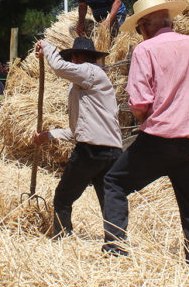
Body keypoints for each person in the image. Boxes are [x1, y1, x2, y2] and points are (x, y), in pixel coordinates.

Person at [101, 0, 189, 269]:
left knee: (114, 182)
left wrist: (145, 115)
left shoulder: (145, 50)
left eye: (139, 29)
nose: (140, 34)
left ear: (145, 26)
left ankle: (115, 253)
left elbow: (140, 102)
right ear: (169, 23)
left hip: (159, 139)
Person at [32, 37, 122, 238]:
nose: (73, 61)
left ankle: (63, 238)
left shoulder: (90, 71)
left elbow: (58, 67)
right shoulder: (83, 85)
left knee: (62, 199)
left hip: (91, 150)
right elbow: (76, 131)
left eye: (75, 57)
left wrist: (46, 46)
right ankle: (117, 243)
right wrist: (47, 135)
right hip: (112, 151)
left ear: (81, 57)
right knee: (108, 201)